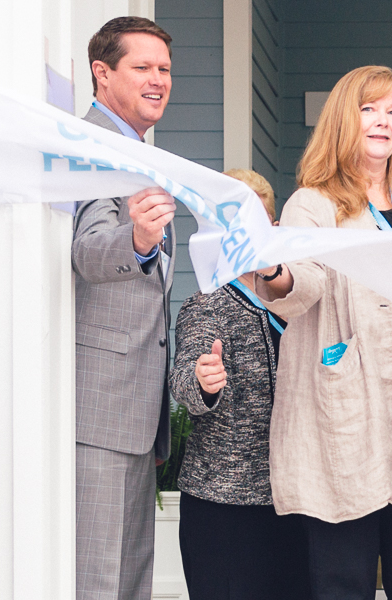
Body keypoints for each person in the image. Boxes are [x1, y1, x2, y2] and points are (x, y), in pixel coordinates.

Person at [252, 65, 392, 599]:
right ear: (343, 120)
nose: (383, 122)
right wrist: (271, 268)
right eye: (370, 109)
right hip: (351, 409)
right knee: (344, 576)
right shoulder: (313, 204)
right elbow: (299, 285)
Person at [71, 16, 177, 600]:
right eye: (143, 67)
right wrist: (136, 242)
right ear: (102, 72)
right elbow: (87, 252)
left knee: (130, 580)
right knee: (99, 579)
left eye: (164, 69)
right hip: (102, 405)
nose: (158, 79)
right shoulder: (89, 148)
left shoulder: (134, 152)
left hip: (135, 409)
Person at [169, 169, 309, 600]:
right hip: (224, 512)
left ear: (275, 229)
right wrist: (202, 381)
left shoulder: (300, 304)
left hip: (293, 502)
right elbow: (184, 377)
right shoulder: (206, 305)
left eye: (255, 223)